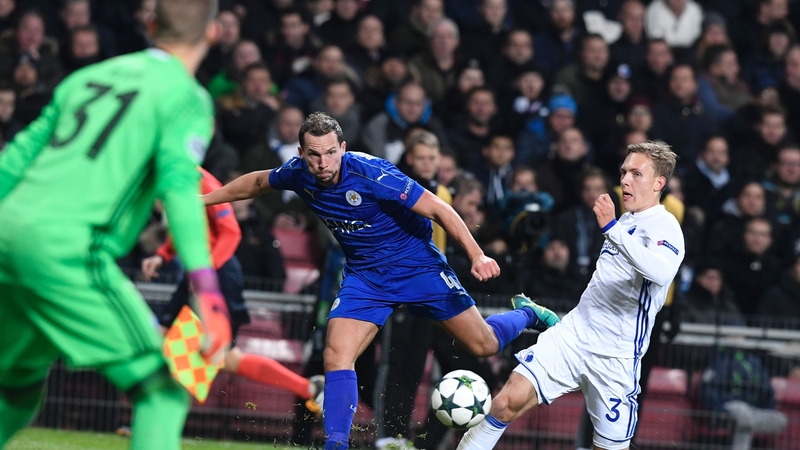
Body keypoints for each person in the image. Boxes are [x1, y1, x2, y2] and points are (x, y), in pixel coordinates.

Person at [203, 112, 560, 450]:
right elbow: (257, 182)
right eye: (314, 155)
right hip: (366, 277)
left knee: (484, 345)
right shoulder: (298, 173)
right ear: (301, 153)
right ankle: (336, 444)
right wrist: (204, 200)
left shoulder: (373, 174)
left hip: (417, 267)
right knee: (336, 355)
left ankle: (527, 313)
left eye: (330, 153)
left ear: (343, 148)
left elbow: (439, 208)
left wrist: (477, 255)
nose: (323, 163)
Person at [0, 1, 231, 449]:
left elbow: (14, 161)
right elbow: (179, 190)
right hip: (68, 250)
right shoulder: (186, 97)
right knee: (163, 389)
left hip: (8, 235)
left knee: (16, 385)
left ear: (150, 25)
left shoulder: (87, 78)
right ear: (214, 33)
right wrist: (206, 288)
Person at [457, 141, 685, 450]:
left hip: (616, 357)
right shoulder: (625, 221)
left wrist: (611, 228)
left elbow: (660, 272)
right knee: (505, 403)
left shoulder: (664, 226)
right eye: (623, 172)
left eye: (636, 174)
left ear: (659, 183)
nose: (625, 180)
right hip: (573, 337)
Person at [141, 168, 324, 414]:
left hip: (216, 276)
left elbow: (231, 232)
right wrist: (163, 256)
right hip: (200, 273)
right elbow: (188, 228)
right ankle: (309, 388)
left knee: (175, 345)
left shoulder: (204, 183)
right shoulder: (173, 177)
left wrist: (206, 274)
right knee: (225, 357)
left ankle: (155, 418)